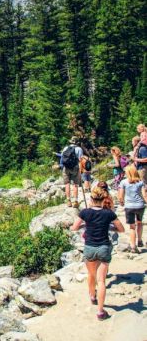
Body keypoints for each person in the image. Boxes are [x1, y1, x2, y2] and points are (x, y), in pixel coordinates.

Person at [71, 187, 124, 321]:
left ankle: (92, 296)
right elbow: (121, 229)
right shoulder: (109, 213)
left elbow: (74, 227)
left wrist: (85, 225)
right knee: (101, 281)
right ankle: (100, 311)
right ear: (103, 199)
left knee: (91, 274)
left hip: (89, 247)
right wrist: (109, 227)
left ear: (91, 199)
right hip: (104, 247)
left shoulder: (85, 212)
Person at [117, 165, 146, 253]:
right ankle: (139, 240)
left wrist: (121, 202)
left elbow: (121, 195)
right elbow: (144, 195)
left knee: (132, 227)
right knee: (139, 223)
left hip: (129, 206)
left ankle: (133, 246)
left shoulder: (123, 182)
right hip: (140, 206)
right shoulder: (140, 182)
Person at [61, 136, 83, 208]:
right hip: (75, 167)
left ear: (71, 141)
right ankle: (75, 201)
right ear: (77, 142)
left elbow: (62, 158)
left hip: (66, 168)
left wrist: (62, 166)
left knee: (67, 184)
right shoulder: (79, 149)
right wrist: (80, 170)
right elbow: (80, 160)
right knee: (75, 184)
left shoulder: (65, 148)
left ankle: (68, 201)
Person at [135, 132, 147, 197]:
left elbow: (146, 159)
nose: (142, 138)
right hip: (141, 167)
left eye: (144, 136)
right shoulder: (140, 147)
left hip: (143, 168)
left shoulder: (143, 148)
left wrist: (136, 159)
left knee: (144, 185)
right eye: (141, 136)